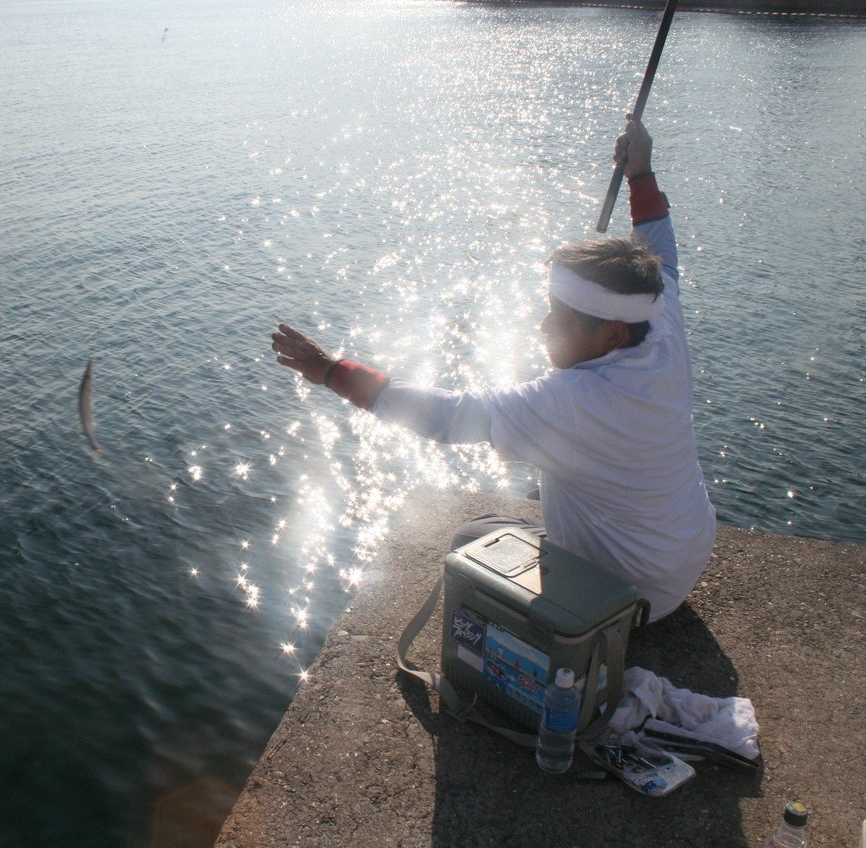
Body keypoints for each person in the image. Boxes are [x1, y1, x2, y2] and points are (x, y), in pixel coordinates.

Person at [270, 117, 716, 622]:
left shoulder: (573, 400)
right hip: (683, 557)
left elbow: (448, 418)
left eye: (561, 318)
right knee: (523, 504)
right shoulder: (659, 323)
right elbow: (663, 255)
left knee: (468, 540)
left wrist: (331, 371)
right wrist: (641, 172)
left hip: (634, 596)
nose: (543, 325)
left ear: (612, 334)